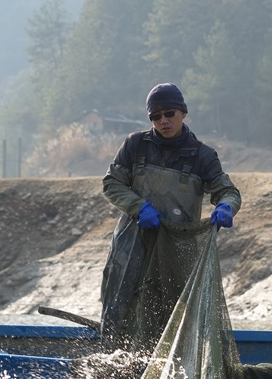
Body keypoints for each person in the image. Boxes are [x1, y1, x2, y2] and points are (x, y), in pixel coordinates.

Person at [99, 82, 241, 352]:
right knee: (119, 308)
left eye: (169, 114)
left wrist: (226, 207)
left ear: (183, 113)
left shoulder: (203, 156)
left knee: (171, 316)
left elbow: (228, 192)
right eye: (155, 116)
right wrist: (138, 207)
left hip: (176, 252)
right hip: (131, 245)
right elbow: (111, 183)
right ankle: (116, 361)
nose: (163, 121)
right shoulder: (135, 145)